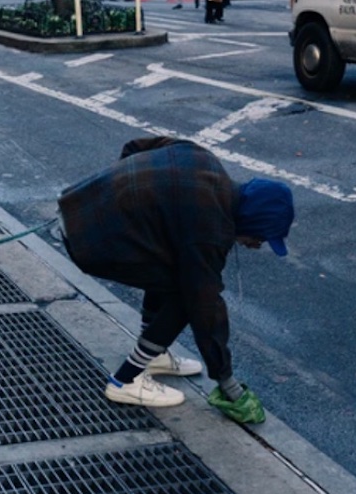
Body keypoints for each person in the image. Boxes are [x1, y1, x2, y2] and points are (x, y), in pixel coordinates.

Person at [57, 137, 294, 416]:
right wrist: (226, 380)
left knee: (170, 263)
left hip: (77, 205)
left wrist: (122, 194)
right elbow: (205, 308)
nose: (256, 246)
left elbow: (135, 147)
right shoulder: (209, 231)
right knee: (185, 296)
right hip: (91, 241)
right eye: (260, 238)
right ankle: (126, 379)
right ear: (252, 222)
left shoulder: (204, 159)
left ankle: (154, 354)